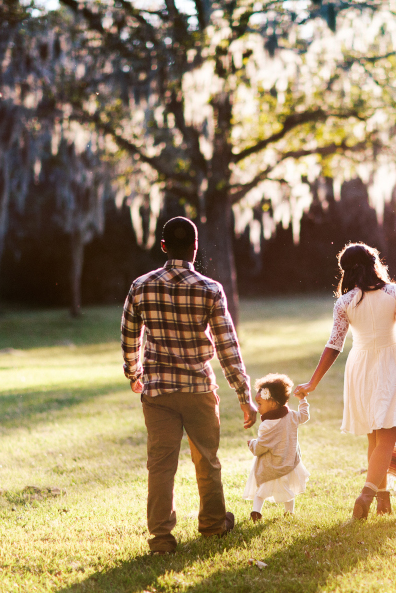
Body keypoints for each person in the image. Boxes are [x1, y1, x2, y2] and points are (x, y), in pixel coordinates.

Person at [121, 216, 257, 554]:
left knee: (161, 465)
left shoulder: (141, 285)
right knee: (207, 460)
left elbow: (128, 335)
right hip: (198, 390)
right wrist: (244, 395)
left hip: (158, 393)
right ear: (195, 248)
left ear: (163, 245)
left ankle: (161, 539)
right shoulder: (210, 289)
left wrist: (134, 373)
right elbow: (228, 347)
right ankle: (212, 524)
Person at [295, 243, 396, 520]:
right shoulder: (394, 292)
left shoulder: (344, 303)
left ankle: (383, 501)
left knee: (375, 438)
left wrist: (312, 382)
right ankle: (366, 496)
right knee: (387, 438)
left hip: (360, 367)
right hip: (389, 364)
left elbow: (334, 345)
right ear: (374, 262)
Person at [243, 373, 311, 522]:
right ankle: (289, 513)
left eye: (260, 404)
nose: (257, 407)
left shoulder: (266, 425)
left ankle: (256, 511)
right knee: (287, 489)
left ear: (273, 403)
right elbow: (304, 416)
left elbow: (260, 447)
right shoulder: (292, 416)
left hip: (271, 466)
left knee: (261, 490)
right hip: (288, 463)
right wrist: (302, 400)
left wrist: (252, 443)